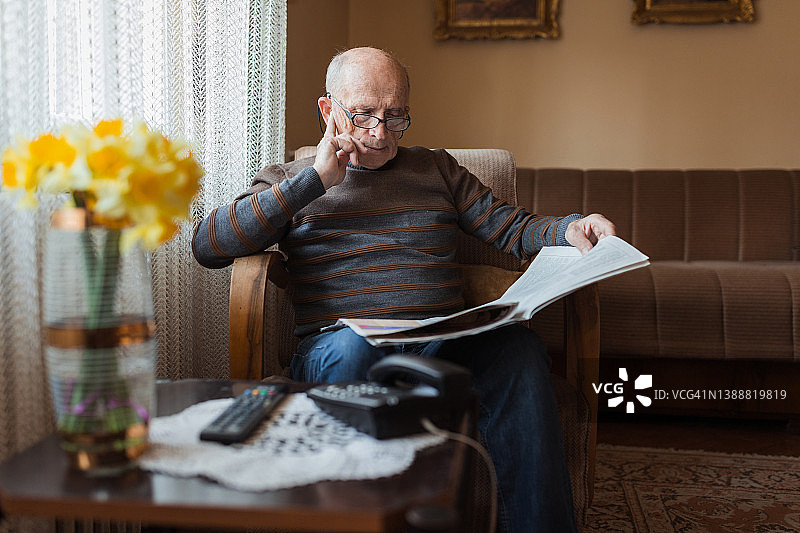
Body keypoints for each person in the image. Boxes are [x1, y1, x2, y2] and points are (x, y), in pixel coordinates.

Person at [193, 46, 615, 533]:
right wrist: (316, 180)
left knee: (516, 348)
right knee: (352, 351)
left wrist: (572, 228)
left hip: (442, 344)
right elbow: (209, 246)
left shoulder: (436, 169)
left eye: (396, 117)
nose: (379, 132)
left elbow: (511, 228)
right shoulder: (290, 181)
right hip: (341, 343)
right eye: (364, 115)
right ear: (328, 110)